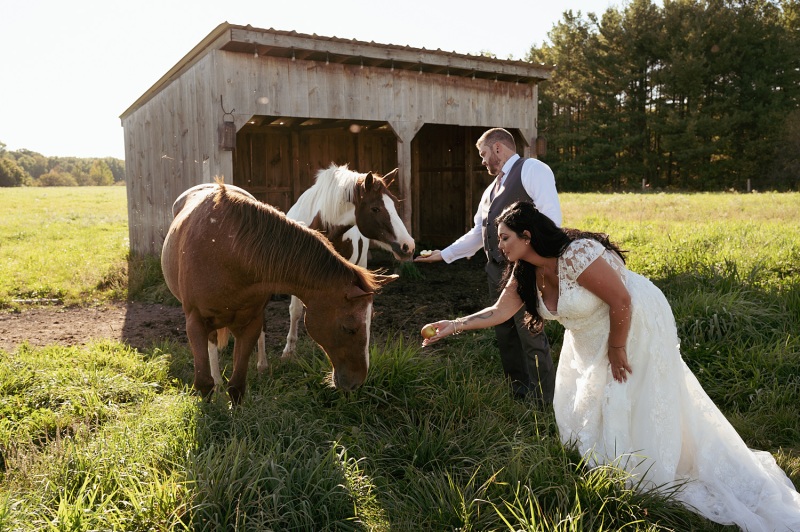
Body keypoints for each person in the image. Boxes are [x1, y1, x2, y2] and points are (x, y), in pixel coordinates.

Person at [421, 201, 800, 531]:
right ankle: (612, 466)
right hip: (587, 335)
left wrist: (617, 348)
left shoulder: (575, 254)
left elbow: (621, 300)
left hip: (634, 322)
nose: (499, 246)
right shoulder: (525, 272)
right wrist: (452, 326)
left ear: (526, 235)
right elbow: (498, 312)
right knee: (584, 402)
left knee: (628, 393)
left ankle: (646, 469)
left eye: (504, 238)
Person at [415, 128, 561, 404]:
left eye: (483, 154)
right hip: (495, 269)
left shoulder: (532, 169)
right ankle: (520, 394)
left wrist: (535, 262)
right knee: (504, 332)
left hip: (524, 266)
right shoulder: (490, 190)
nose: (482, 161)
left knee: (529, 331)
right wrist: (443, 254)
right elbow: (477, 234)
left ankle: (545, 399)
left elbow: (551, 218)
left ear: (497, 148)